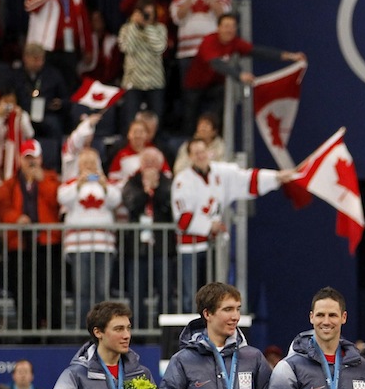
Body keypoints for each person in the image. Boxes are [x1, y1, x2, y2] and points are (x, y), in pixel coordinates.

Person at [171, 139, 294, 311]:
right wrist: (209, 226)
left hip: (213, 246)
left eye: (202, 151)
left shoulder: (221, 172)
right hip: (189, 248)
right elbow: (183, 219)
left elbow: (247, 179)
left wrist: (276, 178)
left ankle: (212, 333)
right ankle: (190, 334)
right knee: (189, 296)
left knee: (212, 296)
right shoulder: (182, 181)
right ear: (190, 157)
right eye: (195, 153)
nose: (200, 156)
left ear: (209, 152)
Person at [182, 12, 305, 130]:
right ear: (218, 28)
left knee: (219, 109)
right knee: (190, 116)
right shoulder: (209, 41)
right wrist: (239, 75)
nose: (229, 30)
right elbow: (216, 64)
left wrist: (290, 56)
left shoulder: (235, 42)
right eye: (226, 26)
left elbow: (259, 52)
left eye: (232, 27)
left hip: (216, 86)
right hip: (195, 85)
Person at [0, 140, 62, 332]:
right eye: (27, 158)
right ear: (21, 160)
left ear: (40, 159)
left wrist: (41, 180)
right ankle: (28, 333)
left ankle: (54, 334)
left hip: (47, 244)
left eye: (34, 158)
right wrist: (17, 219)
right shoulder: (11, 183)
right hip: (20, 245)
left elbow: (56, 201)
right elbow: (2, 208)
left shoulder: (51, 179)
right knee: (23, 293)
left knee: (51, 292)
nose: (31, 163)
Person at [57, 147, 118, 332]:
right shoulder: (70, 183)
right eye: (85, 162)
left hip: (103, 244)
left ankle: (103, 329)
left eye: (92, 162)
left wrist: (104, 184)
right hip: (78, 246)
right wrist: (78, 184)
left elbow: (116, 200)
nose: (89, 166)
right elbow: (62, 198)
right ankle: (82, 330)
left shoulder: (106, 183)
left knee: (102, 290)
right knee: (82, 290)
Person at [22, 0, 90, 91]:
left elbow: (83, 21)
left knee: (69, 84)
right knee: (45, 84)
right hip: (45, 48)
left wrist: (87, 47)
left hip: (69, 48)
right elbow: (29, 6)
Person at [121, 146, 174, 318]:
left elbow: (170, 205)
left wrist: (157, 188)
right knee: (136, 293)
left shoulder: (168, 182)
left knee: (165, 292)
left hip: (162, 247)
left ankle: (165, 335)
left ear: (160, 164)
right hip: (137, 247)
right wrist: (145, 190)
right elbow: (132, 205)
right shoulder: (132, 182)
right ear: (141, 164)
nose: (150, 165)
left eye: (154, 162)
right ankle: (137, 334)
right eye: (147, 162)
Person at [117, 0, 168, 124]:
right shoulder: (126, 29)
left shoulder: (160, 28)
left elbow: (159, 47)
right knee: (130, 121)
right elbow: (127, 48)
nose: (147, 16)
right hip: (133, 82)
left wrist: (148, 27)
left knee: (155, 121)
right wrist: (134, 25)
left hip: (154, 81)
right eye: (144, 13)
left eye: (150, 13)